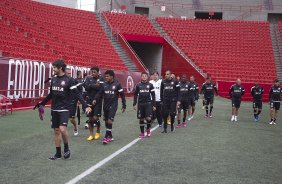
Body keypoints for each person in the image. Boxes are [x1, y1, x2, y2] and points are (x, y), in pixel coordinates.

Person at [34, 60, 91, 160]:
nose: (53, 69)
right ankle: (58, 153)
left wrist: (85, 105)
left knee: (62, 129)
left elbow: (77, 93)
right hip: (54, 109)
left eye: (55, 68)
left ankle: (66, 147)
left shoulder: (69, 80)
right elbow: (51, 94)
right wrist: (42, 103)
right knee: (56, 131)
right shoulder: (54, 79)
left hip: (65, 109)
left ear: (60, 68)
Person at [93, 70, 126, 145]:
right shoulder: (104, 84)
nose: (106, 77)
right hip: (105, 105)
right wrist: (95, 99)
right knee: (106, 121)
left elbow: (122, 95)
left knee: (110, 121)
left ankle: (106, 137)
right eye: (105, 76)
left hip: (113, 105)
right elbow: (100, 93)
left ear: (112, 76)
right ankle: (110, 135)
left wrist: (124, 105)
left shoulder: (117, 84)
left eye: (107, 76)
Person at [83, 66, 104, 141]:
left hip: (97, 100)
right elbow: (86, 87)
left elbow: (100, 88)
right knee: (90, 118)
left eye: (94, 72)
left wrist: (91, 86)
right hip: (89, 100)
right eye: (92, 72)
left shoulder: (101, 79)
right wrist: (94, 85)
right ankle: (91, 134)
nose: (93, 73)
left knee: (95, 118)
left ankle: (98, 131)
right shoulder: (88, 78)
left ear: (98, 72)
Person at [133, 72, 156, 138]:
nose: (144, 77)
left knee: (148, 118)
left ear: (147, 77)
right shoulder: (138, 85)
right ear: (141, 77)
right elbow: (135, 94)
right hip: (140, 104)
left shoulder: (150, 85)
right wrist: (134, 103)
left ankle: (148, 129)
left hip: (148, 104)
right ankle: (142, 133)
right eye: (142, 76)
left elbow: (153, 95)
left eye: (145, 76)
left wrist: (154, 105)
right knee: (141, 119)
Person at [65, 68, 79, 136]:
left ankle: (75, 127)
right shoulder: (61, 80)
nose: (69, 75)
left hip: (73, 101)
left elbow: (78, 91)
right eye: (68, 73)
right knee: (64, 117)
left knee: (71, 119)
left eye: (70, 73)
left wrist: (78, 100)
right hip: (64, 102)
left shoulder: (73, 80)